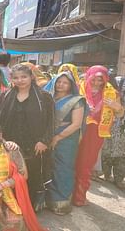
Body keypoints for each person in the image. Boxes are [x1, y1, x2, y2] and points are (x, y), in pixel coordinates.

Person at [0, 64, 55, 212]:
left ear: (31, 77)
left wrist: (44, 141)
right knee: (9, 175)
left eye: (24, 77)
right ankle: (10, 208)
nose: (20, 80)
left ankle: (28, 209)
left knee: (31, 176)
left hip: (34, 144)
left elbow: (51, 121)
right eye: (16, 77)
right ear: (11, 79)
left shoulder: (44, 97)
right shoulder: (6, 96)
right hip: (9, 142)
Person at [72, 65, 124, 206]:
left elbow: (120, 113)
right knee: (70, 161)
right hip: (75, 128)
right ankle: (66, 194)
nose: (96, 83)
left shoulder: (112, 93)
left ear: (105, 79)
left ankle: (79, 196)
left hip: (95, 133)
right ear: (88, 76)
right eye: (94, 79)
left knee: (86, 163)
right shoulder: (78, 88)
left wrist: (116, 106)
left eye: (100, 80)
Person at [43, 71, 86, 215]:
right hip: (47, 135)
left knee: (63, 167)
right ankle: (46, 199)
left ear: (71, 85)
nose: (61, 85)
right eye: (59, 81)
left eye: (65, 82)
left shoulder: (76, 100)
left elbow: (76, 124)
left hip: (67, 138)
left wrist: (58, 137)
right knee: (48, 166)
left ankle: (61, 202)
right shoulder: (49, 97)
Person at [101, 75, 125, 191]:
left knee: (120, 153)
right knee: (107, 149)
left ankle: (119, 179)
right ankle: (106, 174)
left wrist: (120, 109)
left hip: (120, 120)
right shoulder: (117, 80)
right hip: (110, 120)